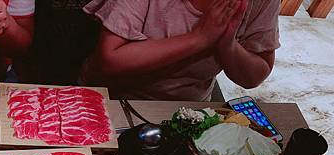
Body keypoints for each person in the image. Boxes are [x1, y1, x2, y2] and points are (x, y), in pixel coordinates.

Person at [81, 0, 280, 101]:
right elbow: (110, 59)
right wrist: (199, 38)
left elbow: (254, 76)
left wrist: (227, 44)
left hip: (188, 108)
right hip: (112, 99)